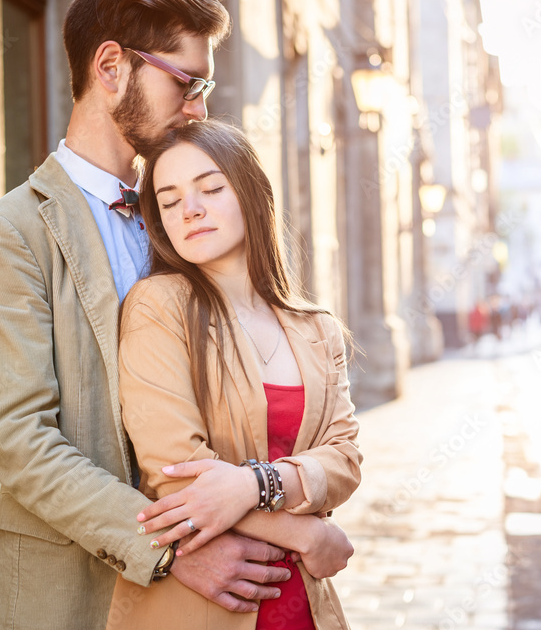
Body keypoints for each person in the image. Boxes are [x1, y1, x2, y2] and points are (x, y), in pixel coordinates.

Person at [0, 0, 292, 627]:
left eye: (206, 87)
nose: (199, 106)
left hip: (212, 599)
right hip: (72, 598)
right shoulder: (6, 234)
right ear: (112, 67)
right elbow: (24, 443)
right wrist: (167, 550)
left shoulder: (185, 217)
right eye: (186, 82)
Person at [107, 120, 362, 629]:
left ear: (249, 191)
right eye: (170, 199)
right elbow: (175, 471)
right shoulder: (158, 306)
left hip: (305, 606)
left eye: (211, 187)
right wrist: (308, 536)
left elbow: (345, 459)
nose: (192, 209)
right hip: (204, 604)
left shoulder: (317, 329)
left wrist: (254, 485)